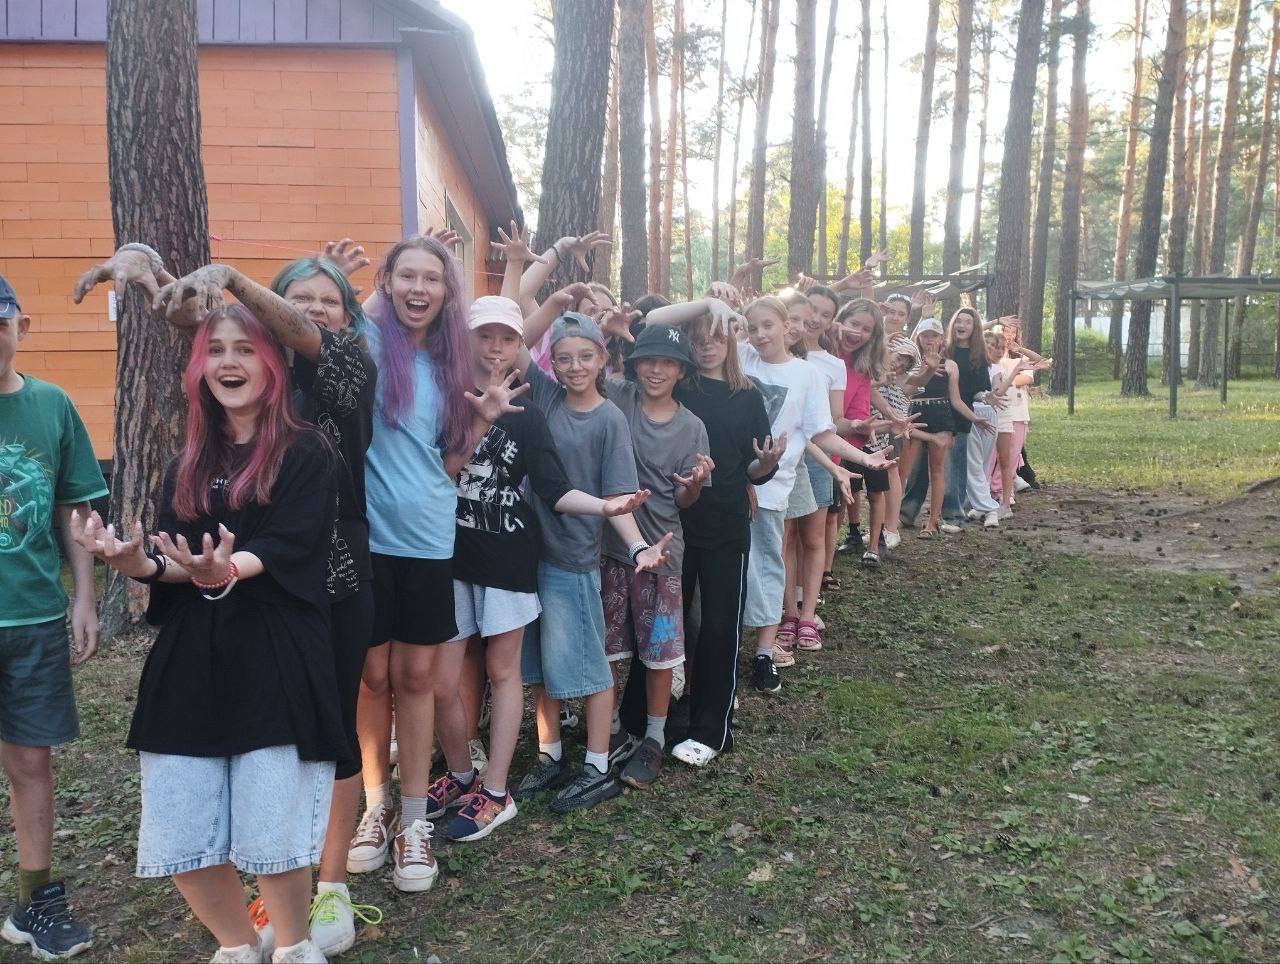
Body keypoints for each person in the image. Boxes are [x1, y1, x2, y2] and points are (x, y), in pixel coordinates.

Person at [79, 244, 385, 955]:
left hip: (300, 617)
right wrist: (137, 561)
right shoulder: (188, 459)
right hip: (202, 642)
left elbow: (283, 546)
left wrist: (227, 569)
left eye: (247, 347)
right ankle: (237, 943)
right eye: (215, 351)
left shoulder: (327, 400)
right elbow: (175, 556)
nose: (229, 360)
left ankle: (311, 912)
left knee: (290, 792)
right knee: (185, 818)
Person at [426, 296, 655, 840]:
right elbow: (430, 473)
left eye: (507, 338)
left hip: (515, 558)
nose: (495, 347)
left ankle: (503, 789)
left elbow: (554, 489)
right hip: (448, 557)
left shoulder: (535, 411)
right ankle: (466, 771)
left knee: (515, 670)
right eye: (485, 336)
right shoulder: (443, 398)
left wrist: (610, 513)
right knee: (444, 679)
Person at [346, 235, 504, 894]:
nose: (418, 289)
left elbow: (446, 464)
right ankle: (374, 807)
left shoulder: (451, 363)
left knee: (416, 677)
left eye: (431, 279)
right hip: (363, 536)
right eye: (406, 276)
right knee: (371, 677)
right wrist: (351, 285)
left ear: (447, 291)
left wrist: (483, 425)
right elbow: (318, 324)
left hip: (427, 540)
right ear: (385, 281)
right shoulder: (364, 340)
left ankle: (414, 820)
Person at [641, 295, 895, 694]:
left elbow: (819, 433)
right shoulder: (739, 355)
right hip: (727, 489)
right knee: (713, 587)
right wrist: (711, 302)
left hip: (773, 486)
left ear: (786, 327)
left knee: (765, 570)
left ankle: (763, 652)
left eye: (768, 326)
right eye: (753, 327)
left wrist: (861, 459)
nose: (760, 335)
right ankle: (695, 667)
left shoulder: (807, 375)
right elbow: (664, 322)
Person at [0, 273, 103, 962]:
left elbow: (75, 507)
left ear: (21, 326)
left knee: (30, 762)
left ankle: (34, 898)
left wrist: (84, 595)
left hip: (32, 617)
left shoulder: (52, 405)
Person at [669, 310, 782, 765]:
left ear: (732, 341)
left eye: (716, 337)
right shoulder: (678, 386)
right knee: (668, 621)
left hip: (725, 525)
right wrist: (705, 303)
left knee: (720, 625)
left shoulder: (747, 395)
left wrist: (767, 464)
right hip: (674, 523)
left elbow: (753, 467)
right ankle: (656, 717)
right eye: (698, 338)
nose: (707, 345)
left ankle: (713, 730)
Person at [603, 324, 713, 789]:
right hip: (611, 547)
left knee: (660, 651)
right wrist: (605, 330)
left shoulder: (692, 427)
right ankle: (608, 730)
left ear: (681, 371)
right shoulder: (618, 397)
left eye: (668, 362)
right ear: (634, 364)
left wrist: (693, 488)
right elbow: (575, 365)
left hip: (664, 554)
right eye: (648, 360)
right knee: (608, 646)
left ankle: (653, 737)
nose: (656, 370)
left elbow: (685, 500)